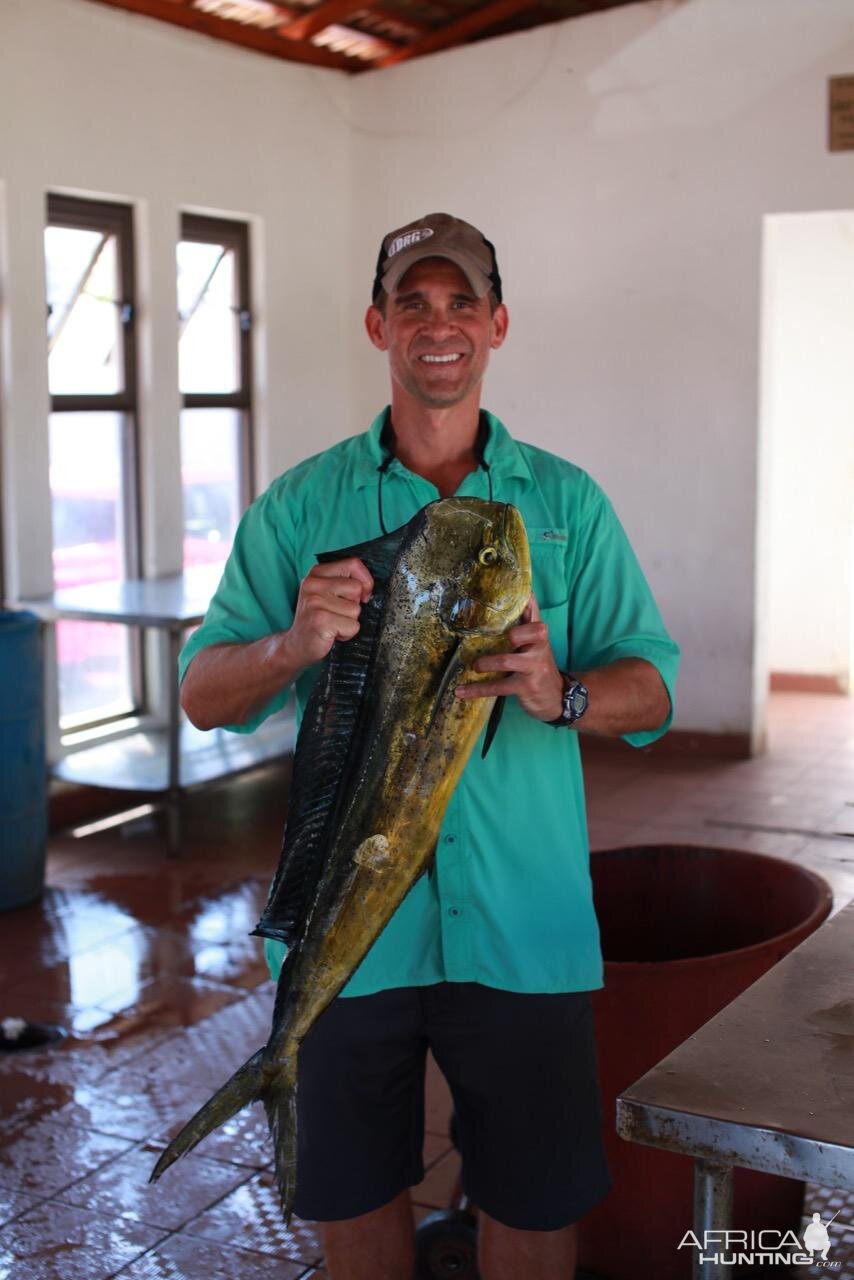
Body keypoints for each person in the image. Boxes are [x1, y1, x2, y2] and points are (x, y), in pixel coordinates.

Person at [179, 212, 680, 1280]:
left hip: (521, 925)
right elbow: (202, 694)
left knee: (533, 1207)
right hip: (342, 936)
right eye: (413, 303)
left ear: (496, 324)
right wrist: (288, 642)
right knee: (356, 1205)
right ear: (378, 324)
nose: (437, 326)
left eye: (460, 304)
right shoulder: (304, 503)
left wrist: (560, 690)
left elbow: (650, 685)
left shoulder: (563, 503)